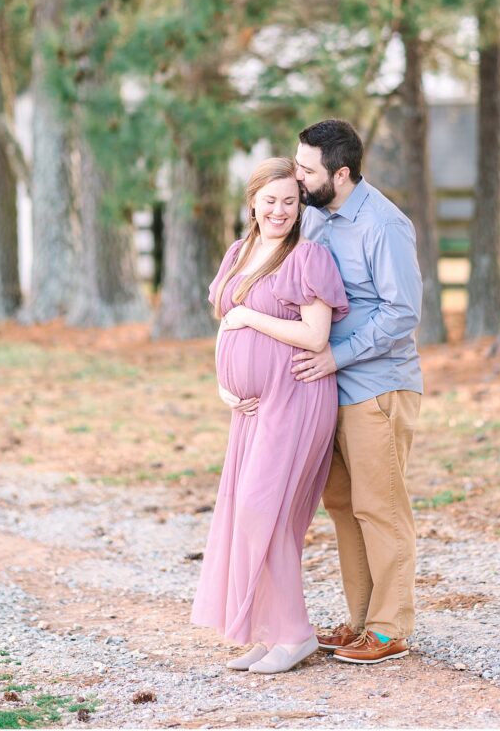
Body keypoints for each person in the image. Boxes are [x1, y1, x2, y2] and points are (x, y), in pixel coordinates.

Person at [190, 157, 349, 675]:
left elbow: (314, 335)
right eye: (270, 199)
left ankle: (297, 634)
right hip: (253, 410)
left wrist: (249, 316)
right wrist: (224, 386)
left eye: (289, 200)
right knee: (248, 515)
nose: (280, 209)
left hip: (298, 398)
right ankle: (270, 632)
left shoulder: (308, 257)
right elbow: (225, 322)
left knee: (269, 514)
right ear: (253, 201)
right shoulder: (239, 252)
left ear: (300, 204)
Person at [293, 119, 423, 665]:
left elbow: (402, 312)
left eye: (307, 169)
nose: (297, 177)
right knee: (343, 505)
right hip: (330, 390)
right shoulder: (315, 217)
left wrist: (335, 356)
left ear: (340, 174)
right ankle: (361, 619)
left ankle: (391, 629)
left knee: (381, 507)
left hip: (376, 387)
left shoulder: (383, 224)